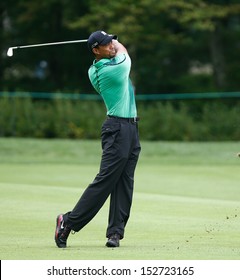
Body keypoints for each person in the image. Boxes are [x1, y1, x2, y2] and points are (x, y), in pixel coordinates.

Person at [55, 30, 141, 248]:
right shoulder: (109, 70)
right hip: (117, 129)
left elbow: (115, 50)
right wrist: (118, 43)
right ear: (96, 50)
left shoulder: (100, 66)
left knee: (125, 182)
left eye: (111, 41)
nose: (112, 45)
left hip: (131, 128)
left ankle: (115, 233)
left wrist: (110, 41)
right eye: (106, 44)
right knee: (106, 180)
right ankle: (68, 222)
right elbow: (124, 52)